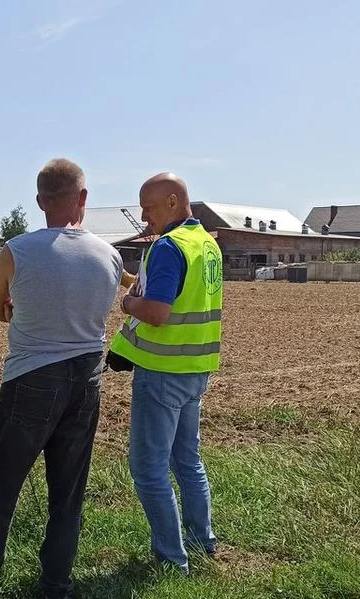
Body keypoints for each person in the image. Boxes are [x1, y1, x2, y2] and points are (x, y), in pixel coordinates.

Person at [0, 158, 123, 599]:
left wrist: (18, 306)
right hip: (87, 379)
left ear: (39, 202)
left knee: (3, 484)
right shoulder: (108, 254)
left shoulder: (17, 250)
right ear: (83, 199)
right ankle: (57, 590)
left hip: (32, 379)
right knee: (68, 491)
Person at [108, 172, 223, 573]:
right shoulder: (207, 245)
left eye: (150, 207)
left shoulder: (168, 247)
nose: (144, 217)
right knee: (187, 459)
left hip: (163, 371)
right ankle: (201, 540)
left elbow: (157, 312)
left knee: (148, 467)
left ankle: (172, 560)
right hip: (197, 369)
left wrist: (127, 304)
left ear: (173, 202)